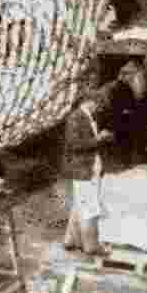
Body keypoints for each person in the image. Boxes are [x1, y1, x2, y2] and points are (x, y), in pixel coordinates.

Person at [61, 91, 116, 253]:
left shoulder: (86, 117)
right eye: (98, 104)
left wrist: (103, 139)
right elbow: (75, 144)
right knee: (89, 207)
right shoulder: (76, 117)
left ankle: (70, 239)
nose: (98, 108)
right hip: (83, 168)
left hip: (88, 166)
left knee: (80, 203)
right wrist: (99, 139)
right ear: (89, 101)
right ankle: (91, 245)